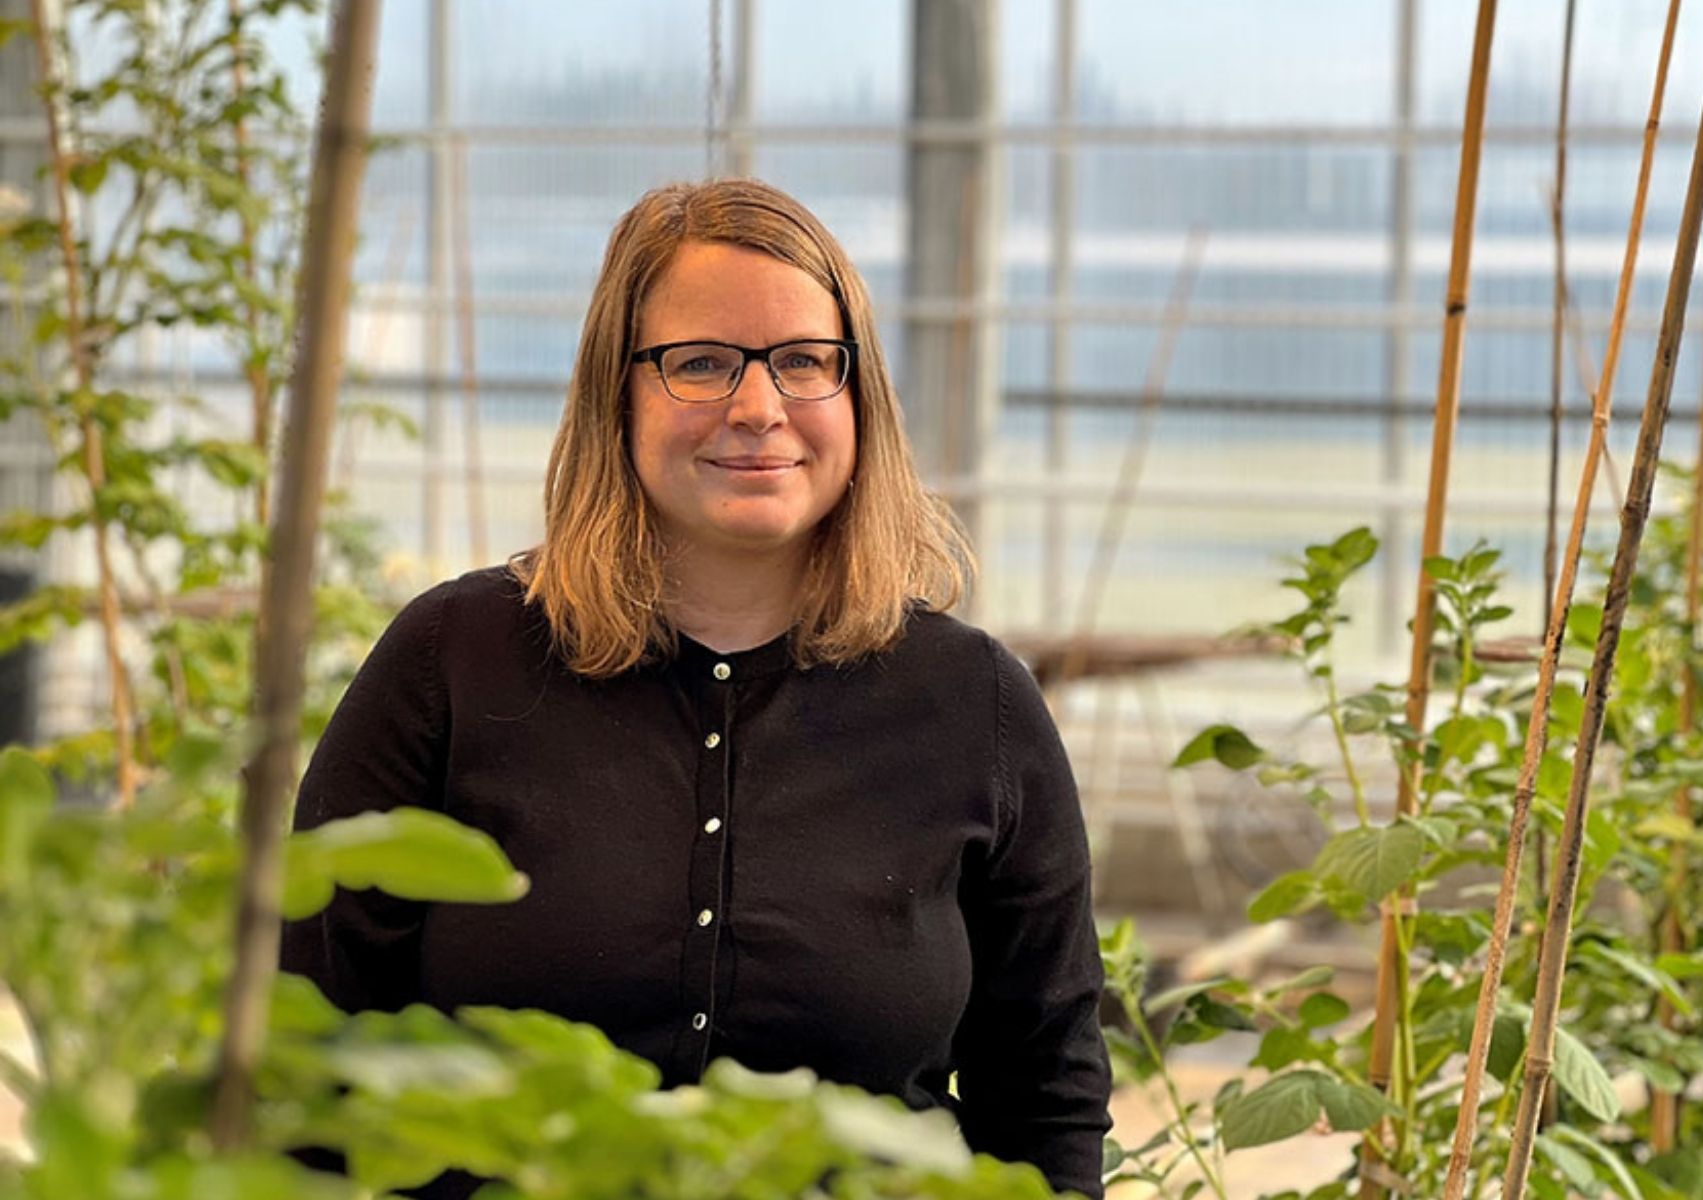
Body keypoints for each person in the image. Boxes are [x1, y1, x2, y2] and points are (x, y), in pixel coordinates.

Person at [280, 178, 1112, 1199]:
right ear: (615, 393)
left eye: (805, 361)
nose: (758, 408)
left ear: (859, 397)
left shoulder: (974, 706)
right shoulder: (453, 662)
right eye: (702, 363)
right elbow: (312, 1056)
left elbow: (1044, 1093)